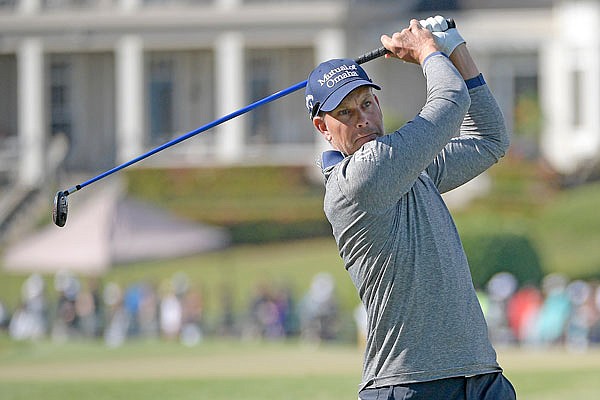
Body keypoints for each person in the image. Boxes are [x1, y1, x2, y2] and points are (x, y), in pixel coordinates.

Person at [304, 16, 516, 399]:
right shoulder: (360, 179)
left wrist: (455, 47)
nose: (364, 119)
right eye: (346, 114)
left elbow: (489, 139)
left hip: (481, 374)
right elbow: (449, 102)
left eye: (367, 103)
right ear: (323, 128)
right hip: (410, 384)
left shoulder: (411, 168)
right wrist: (427, 51)